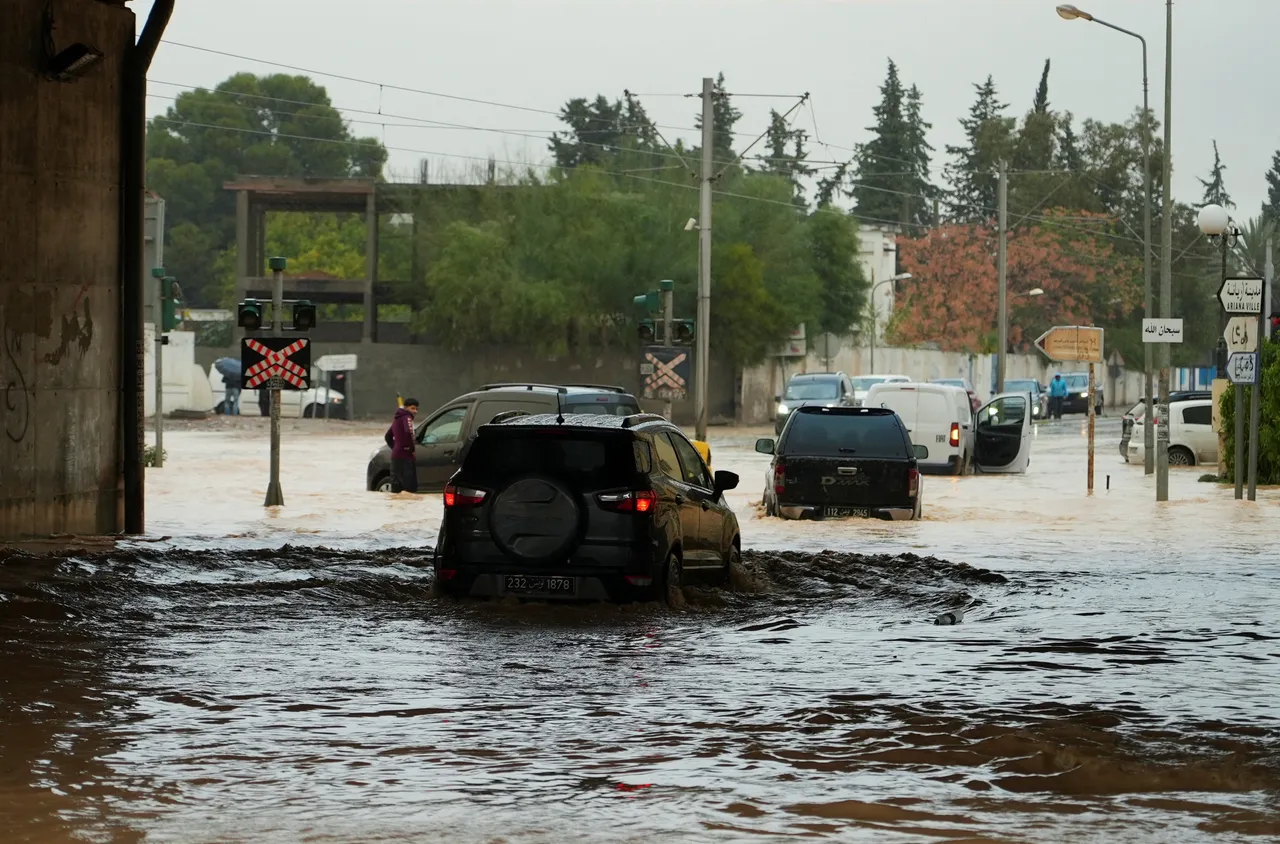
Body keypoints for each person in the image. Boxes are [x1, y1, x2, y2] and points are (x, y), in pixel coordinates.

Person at [385, 397, 419, 493]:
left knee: (397, 491)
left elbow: (387, 437)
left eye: (416, 409)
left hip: (396, 458)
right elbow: (408, 433)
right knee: (409, 491)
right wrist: (412, 450)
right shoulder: (407, 418)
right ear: (406, 408)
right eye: (412, 408)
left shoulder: (397, 419)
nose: (415, 411)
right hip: (406, 458)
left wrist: (395, 447)